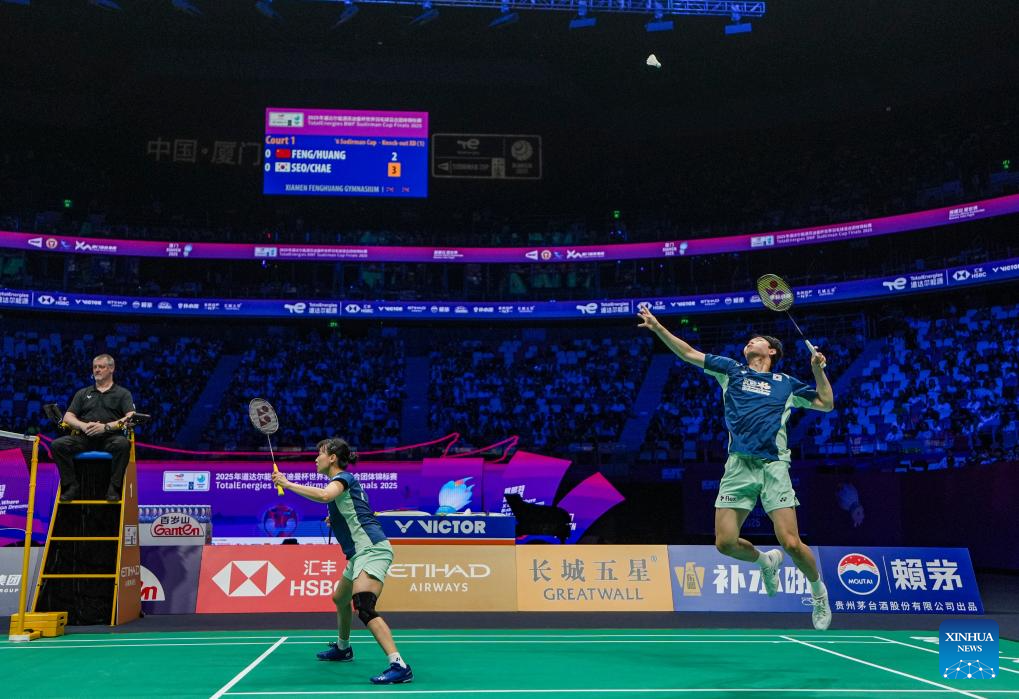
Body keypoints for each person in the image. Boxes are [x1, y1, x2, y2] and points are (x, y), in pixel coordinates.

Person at [637, 307, 834, 630]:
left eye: (757, 340)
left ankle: (818, 593)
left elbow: (826, 403)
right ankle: (764, 561)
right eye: (748, 341)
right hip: (739, 465)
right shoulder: (731, 371)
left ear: (772, 351)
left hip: (773, 466)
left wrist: (818, 370)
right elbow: (688, 353)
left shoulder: (786, 383)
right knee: (725, 542)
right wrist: (659, 328)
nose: (749, 342)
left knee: (791, 543)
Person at [272, 437, 412, 685]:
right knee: (340, 599)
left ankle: (399, 665)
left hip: (372, 550)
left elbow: (325, 495)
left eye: (320, 453)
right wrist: (335, 519)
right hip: (357, 555)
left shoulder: (344, 478)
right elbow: (350, 509)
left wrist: (287, 483)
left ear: (333, 457)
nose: (316, 458)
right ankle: (343, 648)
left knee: (364, 607)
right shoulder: (343, 484)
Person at [51, 354, 135, 503]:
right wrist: (83, 426)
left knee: (123, 444)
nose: (97, 370)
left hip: (110, 438)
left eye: (101, 367)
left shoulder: (123, 394)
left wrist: (106, 427)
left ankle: (114, 488)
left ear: (111, 369)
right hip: (84, 438)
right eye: (95, 367)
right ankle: (71, 485)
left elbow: (131, 417)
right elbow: (68, 417)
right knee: (57, 445)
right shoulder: (83, 393)